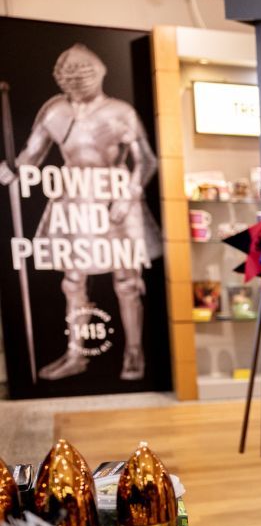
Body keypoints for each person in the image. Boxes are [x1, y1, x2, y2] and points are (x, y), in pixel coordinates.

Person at [0, 43, 160, 381]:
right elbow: (33, 153)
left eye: (81, 74)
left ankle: (134, 352)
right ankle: (76, 353)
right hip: (73, 197)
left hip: (114, 195)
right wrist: (13, 168)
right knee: (73, 281)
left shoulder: (120, 111)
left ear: (98, 73)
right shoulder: (55, 110)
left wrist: (127, 196)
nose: (75, 80)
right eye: (68, 75)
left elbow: (145, 160)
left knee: (128, 281)